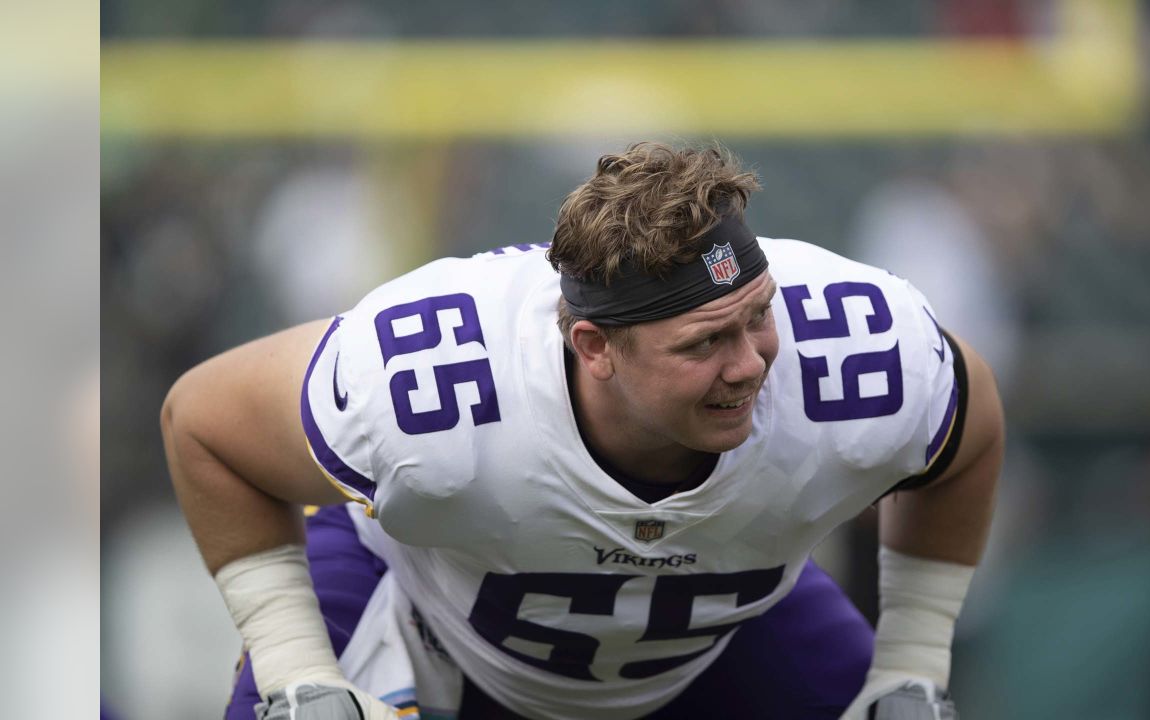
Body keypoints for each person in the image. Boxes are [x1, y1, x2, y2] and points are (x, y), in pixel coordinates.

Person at [162, 142, 1004, 720]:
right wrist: (297, 667)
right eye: (705, 342)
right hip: (426, 614)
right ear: (594, 346)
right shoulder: (439, 394)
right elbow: (204, 422)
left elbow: (971, 432)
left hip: (718, 634)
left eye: (758, 318)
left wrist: (914, 658)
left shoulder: (854, 351)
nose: (751, 364)